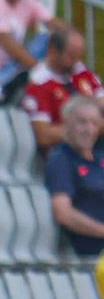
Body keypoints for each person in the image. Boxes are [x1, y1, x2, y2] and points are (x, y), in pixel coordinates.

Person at [46, 95, 104, 260]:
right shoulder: (61, 160)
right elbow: (63, 213)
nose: (89, 130)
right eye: (82, 122)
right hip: (92, 253)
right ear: (66, 124)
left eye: (94, 123)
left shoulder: (99, 158)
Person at [22, 30, 99, 152]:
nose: (76, 62)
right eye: (71, 56)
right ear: (53, 51)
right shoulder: (39, 84)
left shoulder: (79, 70)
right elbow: (43, 135)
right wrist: (90, 128)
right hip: (67, 153)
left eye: (79, 56)